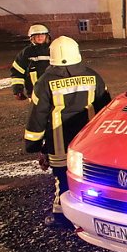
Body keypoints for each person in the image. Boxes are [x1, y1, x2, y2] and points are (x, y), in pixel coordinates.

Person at [24, 36, 111, 228]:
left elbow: (37, 116)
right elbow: (105, 108)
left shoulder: (44, 82)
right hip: (88, 141)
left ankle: (62, 215)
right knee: (89, 176)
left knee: (63, 178)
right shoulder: (93, 76)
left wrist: (34, 145)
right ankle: (95, 211)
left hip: (59, 141)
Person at [10, 23, 51, 100]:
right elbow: (17, 72)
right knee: (37, 111)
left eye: (42, 35)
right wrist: (18, 90)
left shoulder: (53, 49)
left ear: (47, 36)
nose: (40, 37)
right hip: (34, 91)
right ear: (32, 38)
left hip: (53, 90)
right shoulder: (26, 52)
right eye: (37, 35)